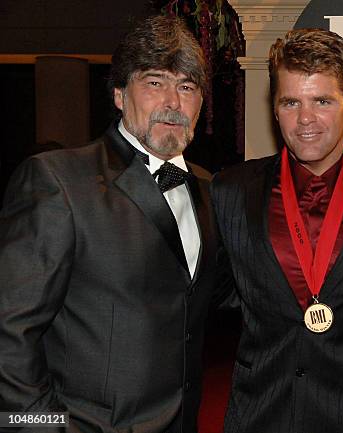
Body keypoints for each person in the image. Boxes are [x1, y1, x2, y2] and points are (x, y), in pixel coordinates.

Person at [0, 15, 229, 433]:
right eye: (155, 82)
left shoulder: (210, 190)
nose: (173, 104)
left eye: (187, 87)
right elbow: (9, 333)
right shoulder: (58, 181)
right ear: (121, 95)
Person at [211, 28, 343, 433]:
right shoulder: (231, 191)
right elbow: (220, 294)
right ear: (274, 108)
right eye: (291, 102)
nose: (305, 119)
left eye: (322, 101)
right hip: (259, 412)